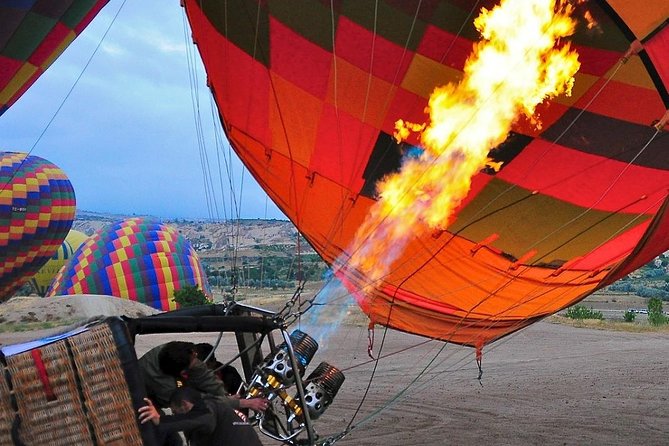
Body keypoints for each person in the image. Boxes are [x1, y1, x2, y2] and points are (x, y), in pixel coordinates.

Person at [138, 341, 267, 413]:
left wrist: (224, 395)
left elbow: (204, 375)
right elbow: (200, 401)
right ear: (183, 372)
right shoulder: (168, 387)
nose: (196, 359)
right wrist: (244, 403)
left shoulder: (176, 350)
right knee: (164, 434)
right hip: (142, 404)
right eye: (193, 360)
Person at [139, 387, 264, 446]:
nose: (175, 416)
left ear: (185, 404)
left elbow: (194, 420)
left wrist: (160, 420)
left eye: (175, 412)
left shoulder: (208, 411)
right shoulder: (219, 410)